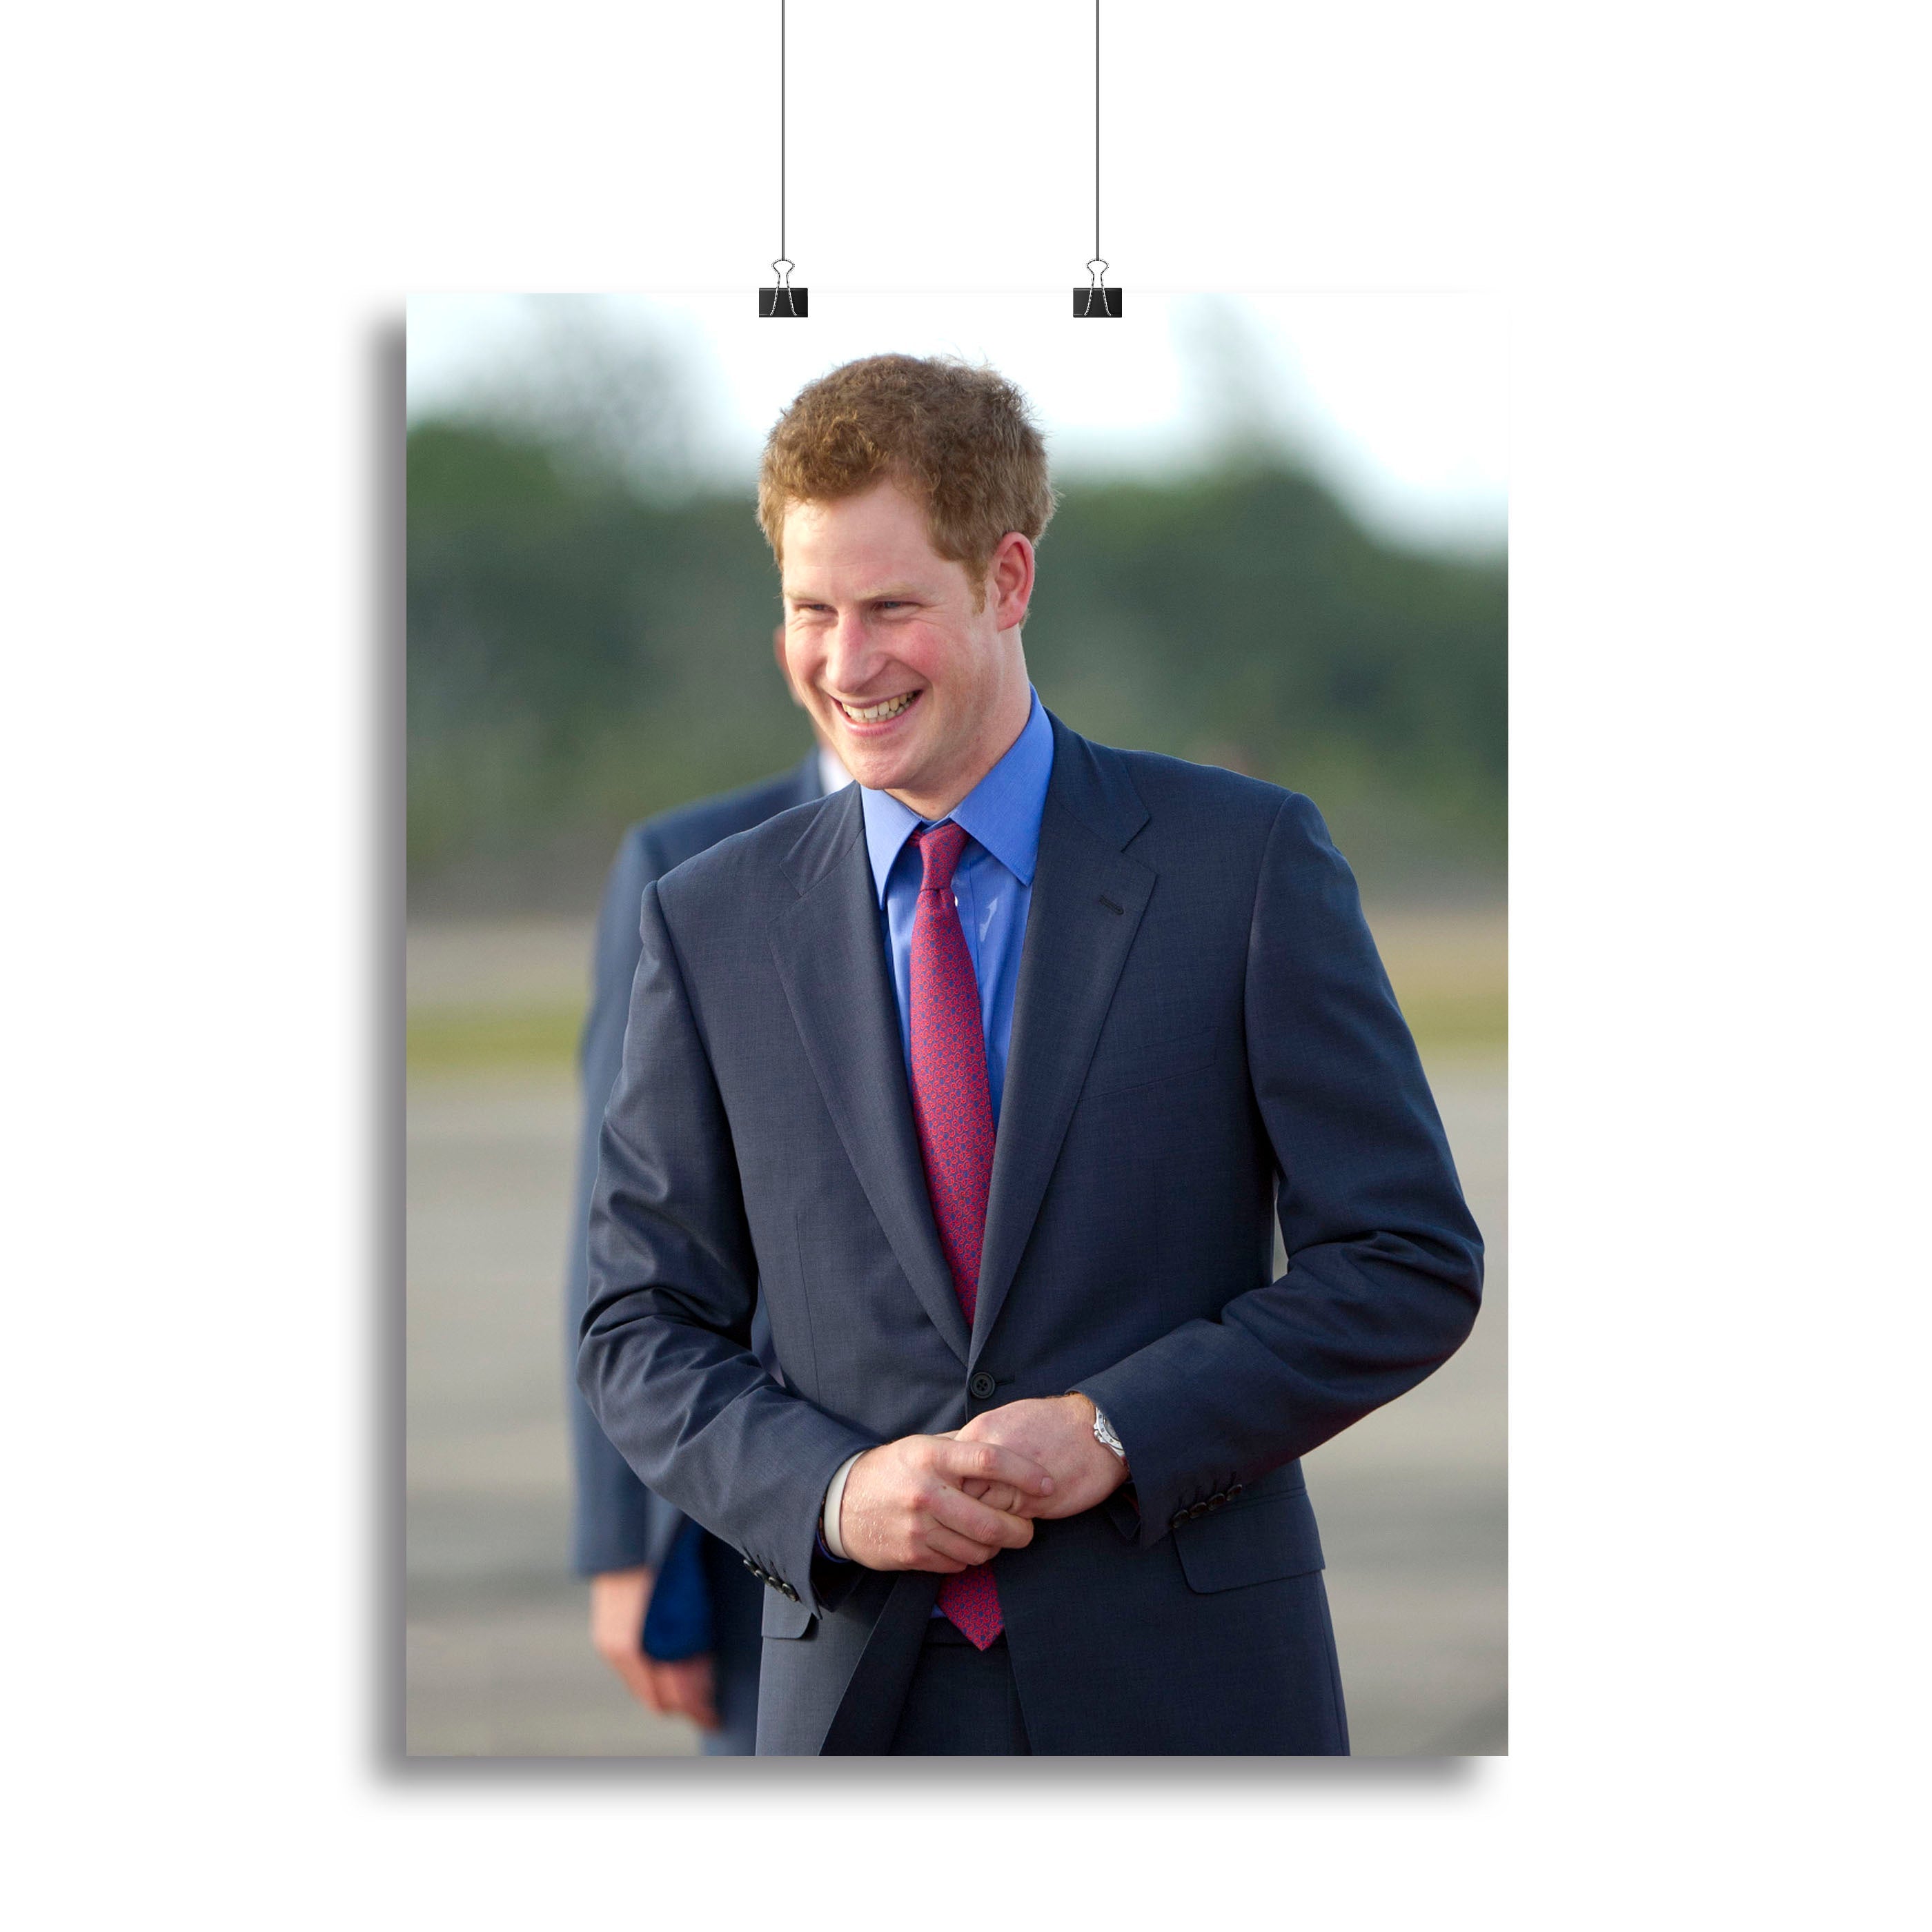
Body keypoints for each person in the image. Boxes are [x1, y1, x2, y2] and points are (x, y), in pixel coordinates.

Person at [580, 353, 1483, 1755]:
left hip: (1188, 1686)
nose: (844, 660)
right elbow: (636, 1325)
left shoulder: (1238, 863)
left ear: (1006, 581)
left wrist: (1119, 1426)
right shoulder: (706, 919)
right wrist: (832, 1491)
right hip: (854, 1703)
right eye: (811, 610)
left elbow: (1406, 1257)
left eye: (890, 607)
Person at [564, 629, 849, 1755]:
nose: (852, 660)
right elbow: (619, 1238)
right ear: (784, 648)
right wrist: (622, 1545)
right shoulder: (685, 862)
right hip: (758, 1502)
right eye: (820, 619)